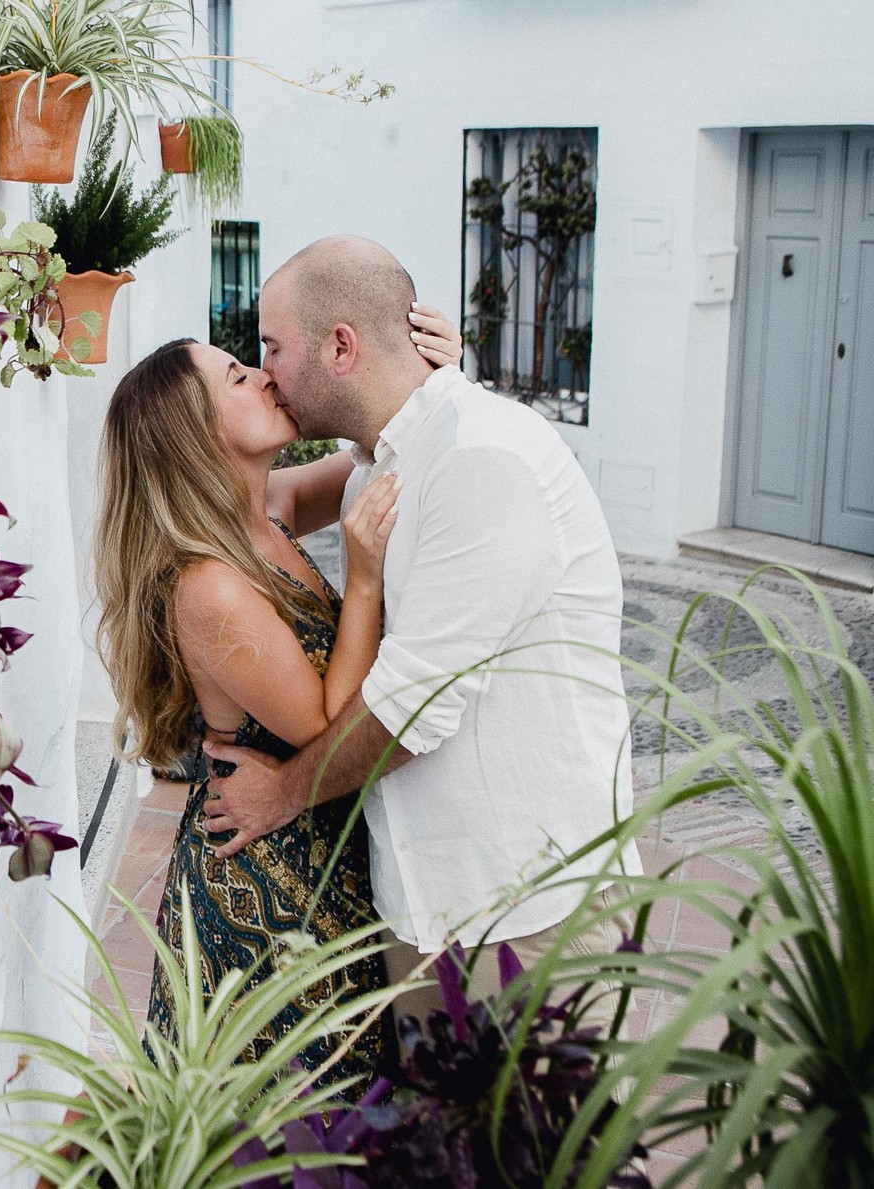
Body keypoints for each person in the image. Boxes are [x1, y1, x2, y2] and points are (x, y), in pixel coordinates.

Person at [200, 235, 641, 1017]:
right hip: (426, 912)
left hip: (531, 912)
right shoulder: (377, 466)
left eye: (272, 347)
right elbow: (249, 497)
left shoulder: (482, 457)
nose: (266, 372)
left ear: (341, 346)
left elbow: (412, 706)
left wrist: (283, 794)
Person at [92, 300, 460, 1084]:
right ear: (194, 434)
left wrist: (439, 379)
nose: (264, 376)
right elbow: (325, 720)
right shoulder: (208, 586)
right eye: (237, 375)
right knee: (287, 1117)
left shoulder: (271, 506)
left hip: (321, 847)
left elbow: (388, 449)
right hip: (266, 890)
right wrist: (363, 577)